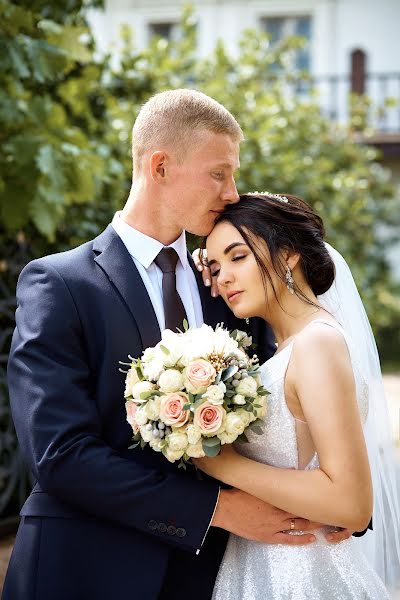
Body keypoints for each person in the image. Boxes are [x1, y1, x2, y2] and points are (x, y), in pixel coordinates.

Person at [3, 90, 351, 600]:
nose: (233, 192)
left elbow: (286, 408)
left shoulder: (229, 289)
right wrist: (216, 510)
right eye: (219, 173)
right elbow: (59, 455)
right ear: (160, 166)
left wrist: (334, 507)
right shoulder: (60, 284)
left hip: (210, 577)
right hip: (83, 571)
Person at [194, 192, 400, 599]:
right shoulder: (280, 350)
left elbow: (351, 502)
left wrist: (218, 464)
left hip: (304, 575)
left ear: (288, 254)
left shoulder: (317, 344)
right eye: (215, 267)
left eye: (238, 257)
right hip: (256, 565)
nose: (224, 278)